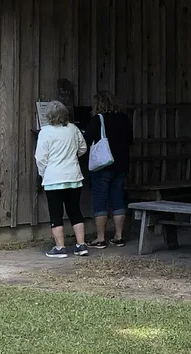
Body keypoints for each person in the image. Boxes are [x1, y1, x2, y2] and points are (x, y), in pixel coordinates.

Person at [37, 102, 89, 257]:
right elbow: (83, 148)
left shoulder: (45, 132)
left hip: (53, 179)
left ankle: (60, 248)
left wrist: (43, 174)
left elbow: (41, 157)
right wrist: (72, 157)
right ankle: (81, 245)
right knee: (75, 211)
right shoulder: (73, 129)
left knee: (56, 214)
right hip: (73, 176)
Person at [83, 91, 133, 248]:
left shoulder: (97, 120)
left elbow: (86, 141)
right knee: (118, 199)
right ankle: (118, 236)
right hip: (121, 164)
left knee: (100, 200)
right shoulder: (124, 118)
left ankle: (100, 237)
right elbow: (130, 139)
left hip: (102, 165)